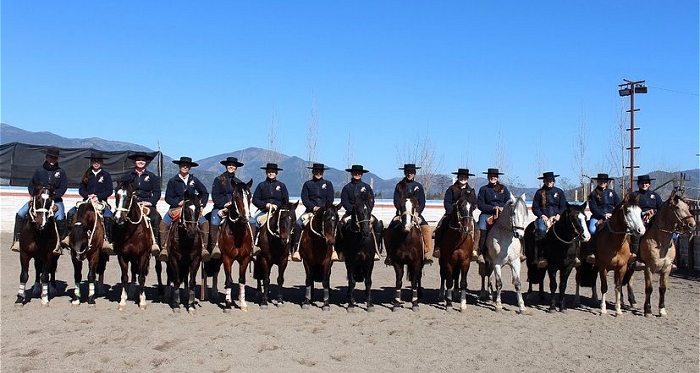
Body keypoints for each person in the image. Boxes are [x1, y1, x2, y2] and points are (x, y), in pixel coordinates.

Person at [10, 147, 68, 254]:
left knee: (60, 217)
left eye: (54, 158)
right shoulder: (39, 170)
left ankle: (60, 243)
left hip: (55, 200)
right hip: (39, 201)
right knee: (20, 214)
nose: (52, 159)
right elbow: (31, 185)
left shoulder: (61, 172)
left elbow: (63, 187)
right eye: (50, 157)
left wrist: (54, 196)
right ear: (46, 157)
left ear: (57, 159)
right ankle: (17, 241)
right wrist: (33, 195)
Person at [63, 151, 115, 255]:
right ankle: (68, 237)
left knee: (108, 216)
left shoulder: (106, 175)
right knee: (71, 213)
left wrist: (98, 197)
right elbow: (81, 190)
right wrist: (88, 196)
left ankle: (107, 240)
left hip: (101, 202)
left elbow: (109, 190)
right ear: (91, 162)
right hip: (86, 201)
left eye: (98, 161)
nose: (96, 163)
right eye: (94, 161)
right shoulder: (86, 174)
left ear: (101, 163)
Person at [160, 156, 209, 262]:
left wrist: (201, 204)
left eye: (187, 166)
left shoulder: (194, 180)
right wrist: (177, 202)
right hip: (176, 208)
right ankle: (164, 248)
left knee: (204, 223)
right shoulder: (173, 181)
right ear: (179, 166)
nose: (184, 167)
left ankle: (204, 248)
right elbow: (168, 197)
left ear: (190, 168)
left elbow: (204, 192)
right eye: (183, 165)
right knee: (164, 223)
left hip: (192, 209)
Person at [292, 163, 336, 262]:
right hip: (310, 211)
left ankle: (335, 251)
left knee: (334, 224)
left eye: (320, 171)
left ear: (323, 172)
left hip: (325, 212)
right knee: (298, 224)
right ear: (313, 172)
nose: (318, 173)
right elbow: (305, 199)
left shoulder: (328, 184)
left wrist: (324, 208)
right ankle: (296, 250)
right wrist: (313, 207)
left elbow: (330, 198)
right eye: (316, 171)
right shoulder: (308, 184)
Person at [339, 164, 383, 262]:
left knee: (378, 224)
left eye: (359, 173)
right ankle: (341, 250)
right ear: (352, 173)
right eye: (355, 173)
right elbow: (344, 201)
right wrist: (353, 210)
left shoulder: (366, 187)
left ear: (361, 174)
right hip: (350, 213)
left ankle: (376, 249)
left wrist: (367, 211)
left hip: (365, 214)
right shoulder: (347, 188)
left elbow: (371, 201)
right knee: (340, 225)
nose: (357, 174)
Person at [390, 164, 433, 264]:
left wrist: (418, 212)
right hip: (402, 213)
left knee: (426, 228)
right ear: (405, 173)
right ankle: (390, 254)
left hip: (415, 213)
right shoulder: (399, 186)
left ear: (414, 173)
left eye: (412, 172)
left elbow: (422, 202)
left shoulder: (419, 186)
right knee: (389, 230)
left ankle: (427, 252)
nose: (410, 174)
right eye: (408, 172)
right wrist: (400, 212)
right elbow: (396, 201)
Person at [121, 152, 161, 256]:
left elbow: (157, 192)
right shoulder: (128, 176)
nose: (140, 162)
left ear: (146, 162)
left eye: (143, 160)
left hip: (146, 204)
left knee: (156, 217)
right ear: (135, 162)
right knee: (117, 217)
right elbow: (122, 190)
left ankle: (155, 242)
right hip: (130, 204)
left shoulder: (151, 176)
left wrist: (150, 202)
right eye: (138, 160)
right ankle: (115, 241)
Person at [433, 167, 475, 260]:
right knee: (440, 225)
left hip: (466, 215)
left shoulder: (471, 191)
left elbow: (474, 204)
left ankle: (475, 249)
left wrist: (468, 211)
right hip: (451, 214)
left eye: (465, 177)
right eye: (461, 176)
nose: (463, 178)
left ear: (467, 178)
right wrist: (451, 212)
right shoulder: (451, 189)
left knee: (477, 227)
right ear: (458, 177)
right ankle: (438, 247)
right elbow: (447, 202)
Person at [250, 163, 290, 257]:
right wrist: (265, 205)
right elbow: (255, 200)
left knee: (288, 224)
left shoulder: (281, 185)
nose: (271, 173)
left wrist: (277, 206)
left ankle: (290, 249)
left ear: (276, 173)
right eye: (269, 171)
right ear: (266, 173)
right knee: (254, 222)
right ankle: (253, 246)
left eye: (273, 172)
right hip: (264, 211)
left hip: (278, 211)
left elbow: (286, 201)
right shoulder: (261, 185)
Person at [209, 156, 245, 260]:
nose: (231, 167)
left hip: (235, 209)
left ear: (236, 168)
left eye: (233, 165)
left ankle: (251, 246)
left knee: (248, 221)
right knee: (214, 221)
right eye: (229, 165)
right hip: (220, 207)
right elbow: (215, 195)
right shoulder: (219, 179)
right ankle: (214, 246)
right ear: (226, 166)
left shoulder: (239, 182)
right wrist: (224, 204)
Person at [532, 171, 569, 268]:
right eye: (547, 180)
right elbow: (535, 208)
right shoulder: (539, 193)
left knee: (570, 229)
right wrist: (541, 215)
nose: (549, 182)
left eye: (551, 180)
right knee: (541, 230)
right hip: (544, 218)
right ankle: (541, 256)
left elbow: (563, 206)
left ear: (553, 181)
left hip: (556, 217)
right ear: (544, 181)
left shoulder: (559, 192)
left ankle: (572, 254)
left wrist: (559, 214)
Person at [628, 174, 663, 270]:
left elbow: (661, 208)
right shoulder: (634, 195)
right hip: (639, 219)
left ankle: (670, 259)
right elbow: (631, 209)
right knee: (637, 233)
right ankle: (635, 258)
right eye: (642, 183)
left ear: (649, 184)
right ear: (638, 184)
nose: (644, 184)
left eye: (646, 183)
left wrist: (654, 212)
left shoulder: (655, 195)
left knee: (668, 233)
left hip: (654, 220)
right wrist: (643, 213)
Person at [476, 168, 510, 264]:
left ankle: (518, 252)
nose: (493, 178)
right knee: (481, 226)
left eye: (494, 176)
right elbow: (480, 204)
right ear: (488, 177)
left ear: (497, 177)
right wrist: (493, 208)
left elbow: (508, 202)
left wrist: (502, 208)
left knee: (514, 225)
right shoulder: (483, 189)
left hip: (502, 215)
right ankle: (481, 252)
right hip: (487, 213)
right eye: (491, 176)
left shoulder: (503, 188)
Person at [584, 173, 620, 264]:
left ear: (607, 182)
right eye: (600, 181)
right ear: (597, 182)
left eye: (604, 181)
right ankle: (592, 252)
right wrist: (603, 215)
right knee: (592, 229)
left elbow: (618, 205)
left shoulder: (612, 193)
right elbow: (593, 208)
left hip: (612, 216)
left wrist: (613, 214)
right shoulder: (593, 194)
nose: (602, 182)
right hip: (597, 216)